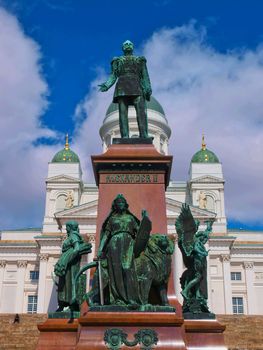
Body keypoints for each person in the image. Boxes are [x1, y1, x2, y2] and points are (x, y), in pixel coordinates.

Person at [97, 194, 144, 307]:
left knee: (128, 269)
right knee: (116, 272)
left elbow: (140, 232)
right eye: (118, 202)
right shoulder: (112, 219)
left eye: (122, 202)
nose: (121, 204)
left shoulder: (130, 218)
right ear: (115, 206)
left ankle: (132, 299)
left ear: (125, 205)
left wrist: (144, 221)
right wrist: (100, 249)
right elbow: (106, 235)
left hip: (128, 243)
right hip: (114, 244)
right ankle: (118, 298)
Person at [99, 40, 152, 138]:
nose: (128, 45)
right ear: (123, 48)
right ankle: (125, 136)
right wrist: (106, 85)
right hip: (122, 87)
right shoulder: (117, 61)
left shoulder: (140, 60)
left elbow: (145, 75)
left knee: (141, 112)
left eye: (130, 44)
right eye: (125, 44)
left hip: (137, 86)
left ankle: (144, 135)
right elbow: (113, 75)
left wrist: (148, 88)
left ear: (133, 47)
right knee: (122, 113)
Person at [54, 220, 91, 311]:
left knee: (70, 283)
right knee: (64, 284)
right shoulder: (70, 236)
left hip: (71, 265)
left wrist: (67, 260)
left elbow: (77, 249)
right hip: (68, 265)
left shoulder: (74, 236)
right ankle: (63, 304)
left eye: (67, 227)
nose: (66, 229)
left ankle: (72, 305)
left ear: (70, 228)